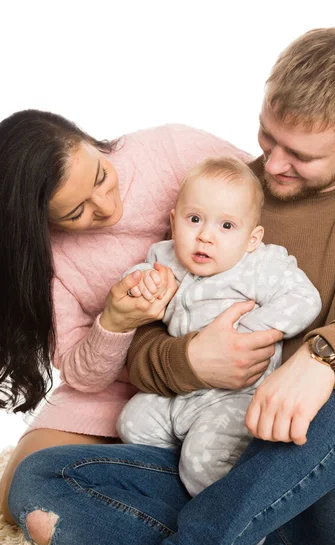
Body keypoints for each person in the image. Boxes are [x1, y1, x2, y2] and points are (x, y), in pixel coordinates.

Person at [0, 27, 335, 545]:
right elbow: (150, 343)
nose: (271, 165)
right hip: (241, 465)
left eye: (300, 155)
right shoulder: (229, 204)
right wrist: (192, 359)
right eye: (266, 137)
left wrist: (325, 356)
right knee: (40, 481)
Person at [117, 156, 321, 497]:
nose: (205, 236)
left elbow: (305, 299)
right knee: (131, 421)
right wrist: (139, 285)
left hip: (237, 396)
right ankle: (167, 497)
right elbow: (132, 281)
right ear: (173, 222)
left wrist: (250, 331)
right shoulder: (164, 258)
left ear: (252, 239)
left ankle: (233, 528)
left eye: (226, 226)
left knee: (205, 459)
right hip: (179, 390)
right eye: (194, 219)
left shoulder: (259, 265)